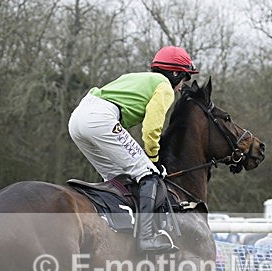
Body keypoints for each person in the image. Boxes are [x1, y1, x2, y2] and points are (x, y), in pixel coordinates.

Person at [68, 46, 198, 254]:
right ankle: (146, 238)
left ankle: (118, 225)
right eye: (185, 79)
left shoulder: (137, 77)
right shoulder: (164, 87)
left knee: (118, 178)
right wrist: (153, 157)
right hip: (101, 118)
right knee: (150, 175)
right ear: (175, 74)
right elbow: (151, 129)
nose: (183, 86)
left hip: (77, 119)